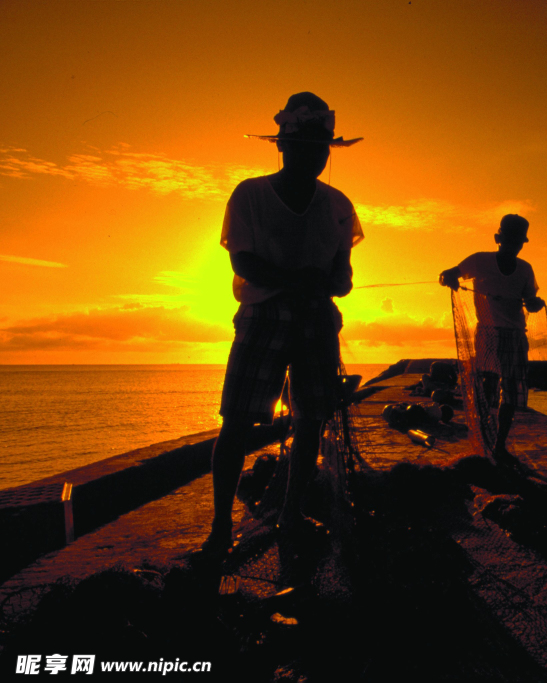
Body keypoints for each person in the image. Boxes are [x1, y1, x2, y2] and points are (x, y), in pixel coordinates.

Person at [202, 92, 364, 555]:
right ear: (281, 147)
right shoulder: (250, 194)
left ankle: (290, 514)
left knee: (311, 418)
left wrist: (326, 280)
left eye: (321, 148)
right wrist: (301, 280)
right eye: (303, 146)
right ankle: (219, 528)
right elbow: (244, 262)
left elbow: (344, 280)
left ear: (327, 151)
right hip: (263, 318)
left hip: (316, 318)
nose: (313, 155)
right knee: (236, 422)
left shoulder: (339, 204)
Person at [439, 214, 545, 466]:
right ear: (498, 239)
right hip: (487, 331)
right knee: (487, 386)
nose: (513, 247)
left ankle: (499, 445)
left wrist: (535, 304)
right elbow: (447, 274)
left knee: (510, 392)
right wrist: (449, 278)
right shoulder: (479, 261)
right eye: (509, 241)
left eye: (518, 243)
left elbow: (531, 304)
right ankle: (485, 439)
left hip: (515, 335)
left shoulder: (526, 270)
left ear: (522, 244)